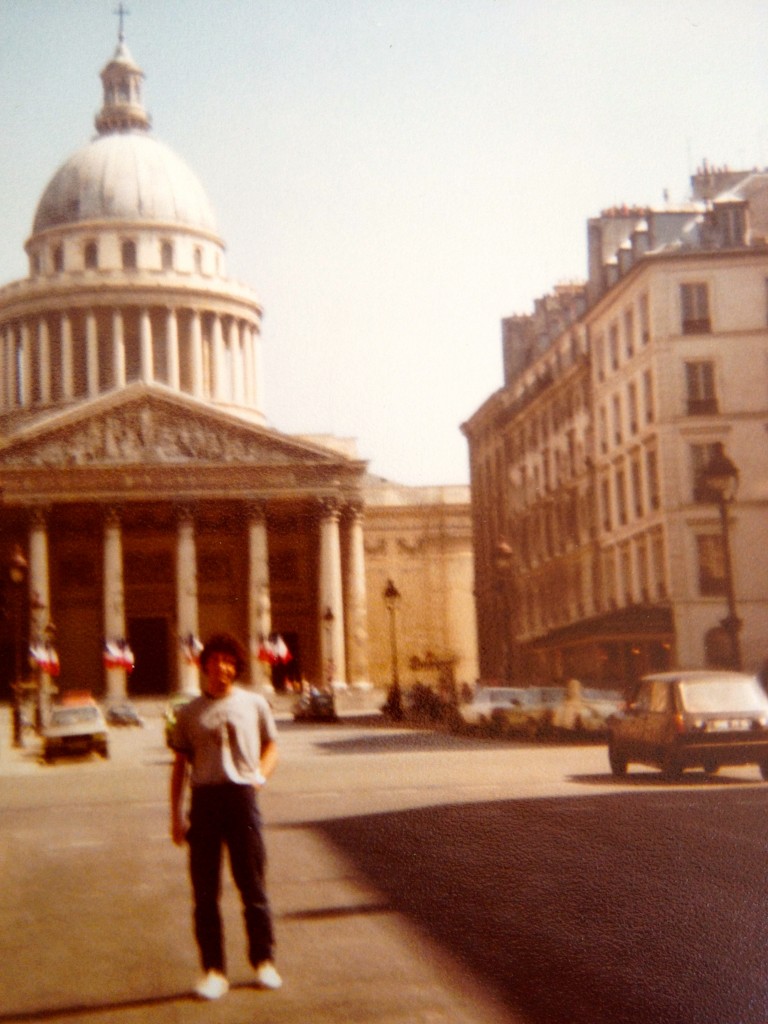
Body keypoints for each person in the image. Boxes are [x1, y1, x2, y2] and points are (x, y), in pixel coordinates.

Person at [169, 632, 281, 1000]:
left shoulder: (255, 704)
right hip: (204, 801)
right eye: (215, 661)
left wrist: (259, 778)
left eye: (229, 662)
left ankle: (263, 961)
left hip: (242, 798)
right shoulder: (188, 712)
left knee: (252, 885)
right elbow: (179, 766)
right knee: (205, 892)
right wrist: (175, 816)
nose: (223, 668)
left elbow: (272, 746)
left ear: (237, 667)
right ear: (204, 667)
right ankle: (214, 970)